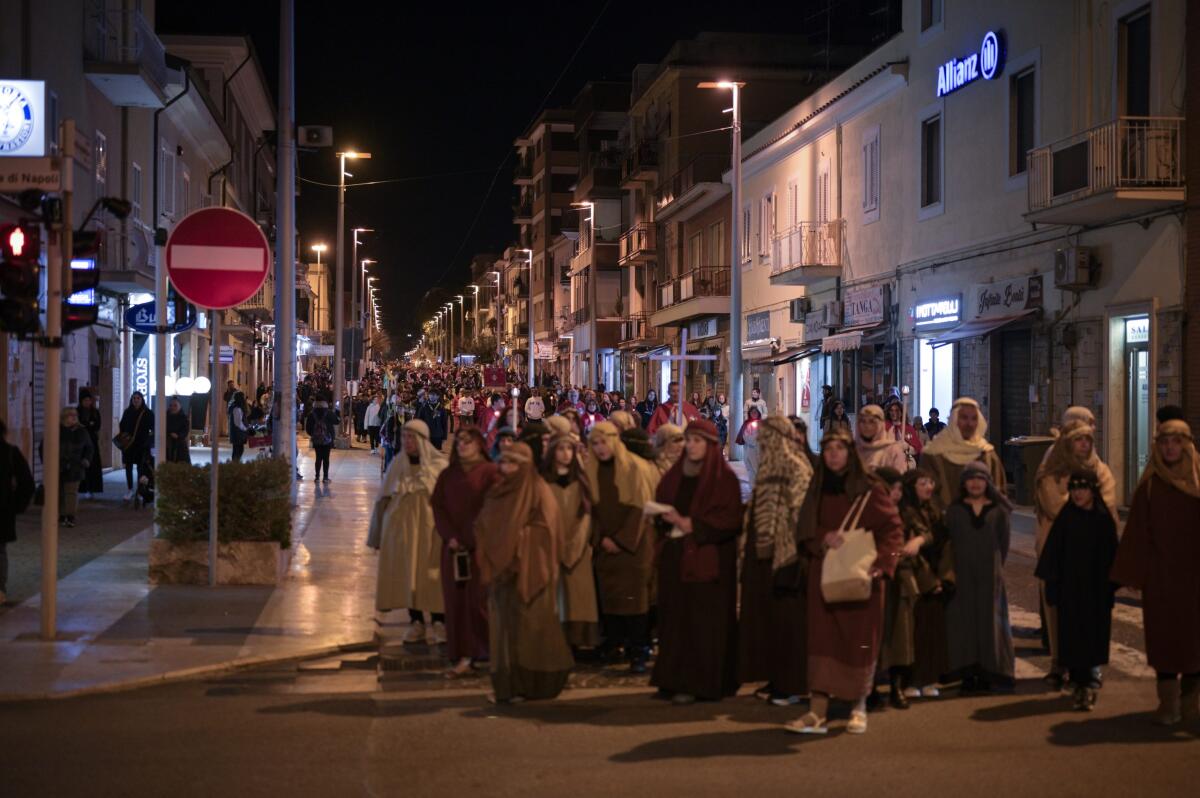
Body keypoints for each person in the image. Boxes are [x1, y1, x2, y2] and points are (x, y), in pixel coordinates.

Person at [785, 428, 903, 736]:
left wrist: (882, 565)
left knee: (858, 642)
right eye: (828, 449)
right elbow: (805, 529)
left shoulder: (869, 489)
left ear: (850, 453)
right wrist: (823, 538)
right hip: (824, 575)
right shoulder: (817, 488)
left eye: (840, 448)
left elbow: (892, 529)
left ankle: (858, 705)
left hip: (862, 578)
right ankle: (817, 711)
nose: (834, 454)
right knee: (822, 641)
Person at [1110, 419, 1200, 726]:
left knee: (1193, 644)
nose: (1170, 448)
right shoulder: (1150, 487)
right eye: (1164, 442)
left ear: (1186, 445)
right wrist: (1128, 574)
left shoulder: (1198, 484)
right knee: (1165, 643)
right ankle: (1168, 704)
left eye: (1176, 442)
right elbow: (1137, 534)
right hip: (1161, 581)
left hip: (1194, 581)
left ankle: (1191, 705)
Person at [652, 419, 744, 704]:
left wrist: (692, 525)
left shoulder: (723, 478)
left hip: (709, 561)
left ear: (710, 445)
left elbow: (730, 520)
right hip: (676, 557)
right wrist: (663, 519)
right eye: (688, 440)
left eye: (697, 441)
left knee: (702, 625)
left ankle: (700, 683)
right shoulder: (675, 474)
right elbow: (663, 501)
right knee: (675, 620)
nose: (690, 446)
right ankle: (672, 678)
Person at [475, 442, 573, 704]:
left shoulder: (539, 493)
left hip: (529, 573)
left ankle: (533, 685)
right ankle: (507, 686)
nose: (506, 468)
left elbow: (548, 531)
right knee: (503, 633)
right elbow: (486, 522)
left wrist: (519, 540)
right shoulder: (499, 491)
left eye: (513, 463)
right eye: (504, 462)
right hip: (501, 574)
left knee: (529, 630)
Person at [1034, 417, 1117, 688]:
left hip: (1090, 552)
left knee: (1091, 609)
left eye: (1087, 440)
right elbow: (1052, 503)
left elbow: (1107, 501)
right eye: (1078, 440)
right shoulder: (1053, 469)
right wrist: (1079, 507)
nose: (1083, 445)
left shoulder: (1100, 470)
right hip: (1058, 549)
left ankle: (1089, 663)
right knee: (1058, 608)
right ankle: (1059, 661)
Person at [739, 417, 814, 706]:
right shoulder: (767, 465)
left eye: (770, 436)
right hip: (763, 556)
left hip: (786, 556)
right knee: (769, 622)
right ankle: (776, 678)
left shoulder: (795, 466)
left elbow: (799, 513)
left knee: (788, 624)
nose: (764, 442)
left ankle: (793, 684)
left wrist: (780, 542)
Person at [583, 421, 659, 673]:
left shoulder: (633, 468)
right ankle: (615, 644)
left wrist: (621, 540)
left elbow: (640, 506)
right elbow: (589, 510)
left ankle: (638, 649)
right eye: (595, 443)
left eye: (604, 442)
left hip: (633, 547)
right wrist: (599, 538)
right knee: (611, 598)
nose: (600, 448)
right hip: (605, 544)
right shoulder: (591, 470)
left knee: (635, 600)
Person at [883, 467, 955, 706]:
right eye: (923, 483)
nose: (929, 487)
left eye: (930, 483)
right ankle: (911, 680)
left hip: (933, 576)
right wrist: (929, 580)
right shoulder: (906, 512)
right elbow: (906, 550)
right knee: (912, 632)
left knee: (931, 631)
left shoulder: (933, 508)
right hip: (915, 578)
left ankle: (929, 678)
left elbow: (940, 539)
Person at [432, 427, 499, 676]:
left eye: (468, 442)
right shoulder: (449, 475)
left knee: (480, 602)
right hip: (454, 550)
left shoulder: (490, 473)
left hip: (481, 549)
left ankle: (486, 651)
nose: (462, 446)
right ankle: (463, 653)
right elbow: (438, 506)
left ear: (479, 445)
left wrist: (474, 537)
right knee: (456, 603)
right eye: (459, 442)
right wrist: (451, 536)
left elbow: (493, 509)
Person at [373, 420, 448, 645]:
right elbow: (382, 500)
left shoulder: (439, 466)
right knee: (409, 577)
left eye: (411, 437)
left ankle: (439, 621)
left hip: (432, 534)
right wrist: (376, 536)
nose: (406, 442)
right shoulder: (397, 464)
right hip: (403, 534)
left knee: (432, 578)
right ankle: (415, 622)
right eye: (404, 437)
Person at [943, 460, 1014, 693]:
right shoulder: (954, 511)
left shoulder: (998, 512)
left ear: (987, 482)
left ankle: (988, 672)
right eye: (971, 478)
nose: (975, 483)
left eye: (980, 478)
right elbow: (949, 543)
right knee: (964, 624)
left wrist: (994, 568)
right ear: (964, 483)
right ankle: (967, 675)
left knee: (988, 625)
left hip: (989, 576)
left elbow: (1003, 544)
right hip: (963, 575)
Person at [542, 431, 600, 648]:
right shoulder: (544, 481)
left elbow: (587, 512)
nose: (566, 454)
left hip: (578, 546)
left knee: (578, 595)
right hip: (551, 546)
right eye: (560, 449)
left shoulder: (581, 480)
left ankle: (579, 639)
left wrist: (577, 541)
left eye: (569, 449)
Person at [920, 397, 1006, 509]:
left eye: (974, 419)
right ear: (953, 420)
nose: (969, 424)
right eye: (964, 418)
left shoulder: (986, 454)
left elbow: (999, 492)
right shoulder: (933, 454)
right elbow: (927, 496)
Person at [0, 418, 35, 604]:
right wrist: (15, 506)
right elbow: (27, 484)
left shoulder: (10, 453)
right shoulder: (10, 453)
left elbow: (27, 484)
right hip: (3, 510)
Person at [56, 407, 93, 528]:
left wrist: (86, 459)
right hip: (58, 466)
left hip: (75, 466)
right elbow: (44, 446)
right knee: (59, 492)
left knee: (71, 492)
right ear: (64, 417)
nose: (74, 417)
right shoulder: (57, 430)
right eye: (70, 415)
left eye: (75, 415)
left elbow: (89, 447)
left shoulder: (81, 431)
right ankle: (62, 515)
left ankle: (70, 516)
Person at [117, 391, 153, 502]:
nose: (136, 400)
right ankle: (130, 489)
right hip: (129, 445)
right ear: (131, 400)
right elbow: (122, 426)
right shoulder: (128, 412)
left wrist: (148, 441)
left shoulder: (147, 413)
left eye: (138, 398)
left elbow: (153, 428)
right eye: (134, 398)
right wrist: (125, 437)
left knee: (141, 468)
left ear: (142, 400)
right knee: (128, 467)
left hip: (142, 445)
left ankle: (140, 491)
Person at [855, 403, 909, 475]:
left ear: (880, 424)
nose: (867, 426)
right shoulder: (854, 449)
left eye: (872, 422)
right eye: (863, 421)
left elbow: (900, 478)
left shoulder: (893, 451)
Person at [77, 390, 104, 497]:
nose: (87, 402)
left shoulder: (95, 412)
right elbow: (80, 424)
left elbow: (97, 425)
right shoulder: (77, 411)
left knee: (93, 465)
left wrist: (87, 424)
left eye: (89, 400)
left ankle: (92, 489)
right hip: (80, 442)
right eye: (85, 400)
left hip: (92, 441)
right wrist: (89, 424)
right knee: (82, 465)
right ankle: (82, 488)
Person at [305, 399, 338, 482]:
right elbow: (337, 422)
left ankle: (317, 477)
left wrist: (314, 434)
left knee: (318, 458)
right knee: (326, 458)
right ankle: (325, 477)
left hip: (316, 440)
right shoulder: (329, 413)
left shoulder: (311, 414)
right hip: (328, 439)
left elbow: (308, 429)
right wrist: (337, 412)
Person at [884, 399, 923, 463]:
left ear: (902, 413)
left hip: (905, 460)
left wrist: (907, 447)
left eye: (897, 410)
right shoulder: (884, 426)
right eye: (891, 410)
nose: (894, 413)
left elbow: (917, 448)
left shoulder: (908, 428)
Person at [736, 406, 764, 484]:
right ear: (749, 413)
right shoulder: (747, 423)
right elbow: (745, 436)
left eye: (755, 412)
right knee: (751, 469)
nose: (754, 414)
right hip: (749, 449)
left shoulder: (762, 423)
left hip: (759, 449)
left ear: (758, 413)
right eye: (752, 412)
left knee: (758, 469)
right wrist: (754, 439)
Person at [166, 398, 191, 464]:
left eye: (175, 405)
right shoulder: (165, 416)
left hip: (180, 446)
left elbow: (185, 430)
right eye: (171, 405)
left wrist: (178, 435)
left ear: (180, 406)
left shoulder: (184, 418)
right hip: (167, 445)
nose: (172, 407)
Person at [228, 391, 248, 462]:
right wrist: (245, 429)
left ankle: (236, 463)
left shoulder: (237, 407)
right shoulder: (237, 408)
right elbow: (238, 423)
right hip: (238, 433)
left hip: (238, 433)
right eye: (243, 397)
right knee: (238, 450)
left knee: (238, 450)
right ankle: (235, 464)